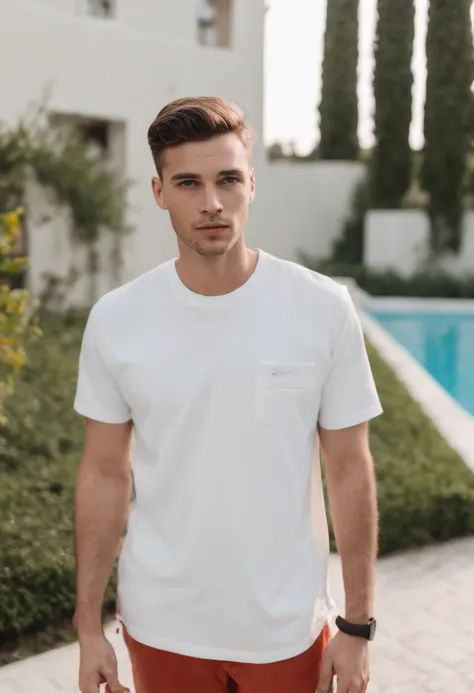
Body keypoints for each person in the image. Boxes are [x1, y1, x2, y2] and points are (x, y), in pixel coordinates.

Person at [73, 96, 382, 693]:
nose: (212, 203)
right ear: (160, 191)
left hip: (286, 625)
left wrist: (358, 625)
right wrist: (88, 628)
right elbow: (104, 476)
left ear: (251, 184)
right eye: (188, 183)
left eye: (227, 179)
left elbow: (349, 470)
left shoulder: (321, 308)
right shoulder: (117, 319)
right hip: (161, 624)